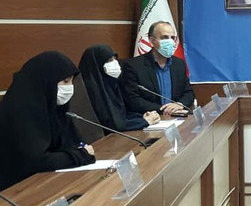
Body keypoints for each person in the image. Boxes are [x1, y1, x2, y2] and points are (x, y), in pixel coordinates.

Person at [0, 52, 95, 191]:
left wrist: (80, 151)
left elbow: (69, 143)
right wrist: (81, 156)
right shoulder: (20, 109)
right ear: (47, 80)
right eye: (65, 81)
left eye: (71, 81)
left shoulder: (52, 105)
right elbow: (36, 161)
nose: (70, 87)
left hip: (45, 181)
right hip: (16, 190)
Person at [120, 21, 195, 116]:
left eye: (172, 38)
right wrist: (163, 110)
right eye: (164, 37)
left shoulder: (179, 64)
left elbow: (189, 92)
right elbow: (132, 99)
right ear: (152, 41)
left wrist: (179, 104)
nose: (170, 41)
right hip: (150, 118)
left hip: (177, 117)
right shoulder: (134, 66)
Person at [79, 45, 160, 132]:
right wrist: (144, 121)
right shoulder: (90, 91)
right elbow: (113, 124)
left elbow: (122, 115)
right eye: (109, 60)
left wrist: (142, 117)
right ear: (97, 66)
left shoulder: (112, 84)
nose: (115, 63)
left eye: (115, 59)